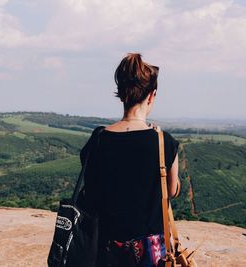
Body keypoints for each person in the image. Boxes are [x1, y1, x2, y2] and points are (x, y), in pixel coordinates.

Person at [80, 53, 180, 267]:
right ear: (152, 95)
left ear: (122, 94)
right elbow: (171, 191)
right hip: (150, 254)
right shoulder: (164, 143)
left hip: (104, 250)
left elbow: (91, 191)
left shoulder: (97, 140)